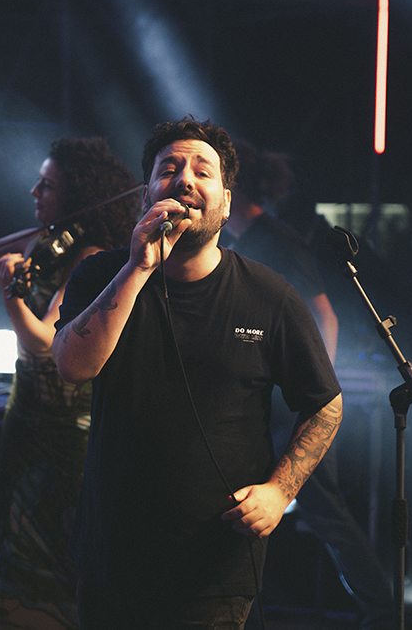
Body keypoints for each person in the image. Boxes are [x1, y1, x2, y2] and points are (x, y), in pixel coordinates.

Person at [52, 117, 343, 629]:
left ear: (226, 203)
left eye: (202, 171)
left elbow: (325, 403)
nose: (185, 179)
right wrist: (138, 268)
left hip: (216, 564)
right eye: (169, 169)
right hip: (113, 554)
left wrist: (280, 491)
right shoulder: (101, 275)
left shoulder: (269, 295)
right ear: (146, 194)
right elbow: (73, 366)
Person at [0, 137, 139, 630]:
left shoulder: (91, 257)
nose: (34, 191)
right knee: (18, 535)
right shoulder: (44, 242)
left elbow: (46, 342)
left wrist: (12, 297)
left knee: (54, 541)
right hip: (26, 417)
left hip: (65, 429)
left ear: (76, 194)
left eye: (46, 185)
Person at [223, 139, 393, 630]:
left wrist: (317, 393)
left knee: (326, 514)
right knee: (284, 510)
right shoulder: (242, 240)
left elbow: (325, 314)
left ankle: (384, 613)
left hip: (293, 409)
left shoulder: (277, 239)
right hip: (267, 404)